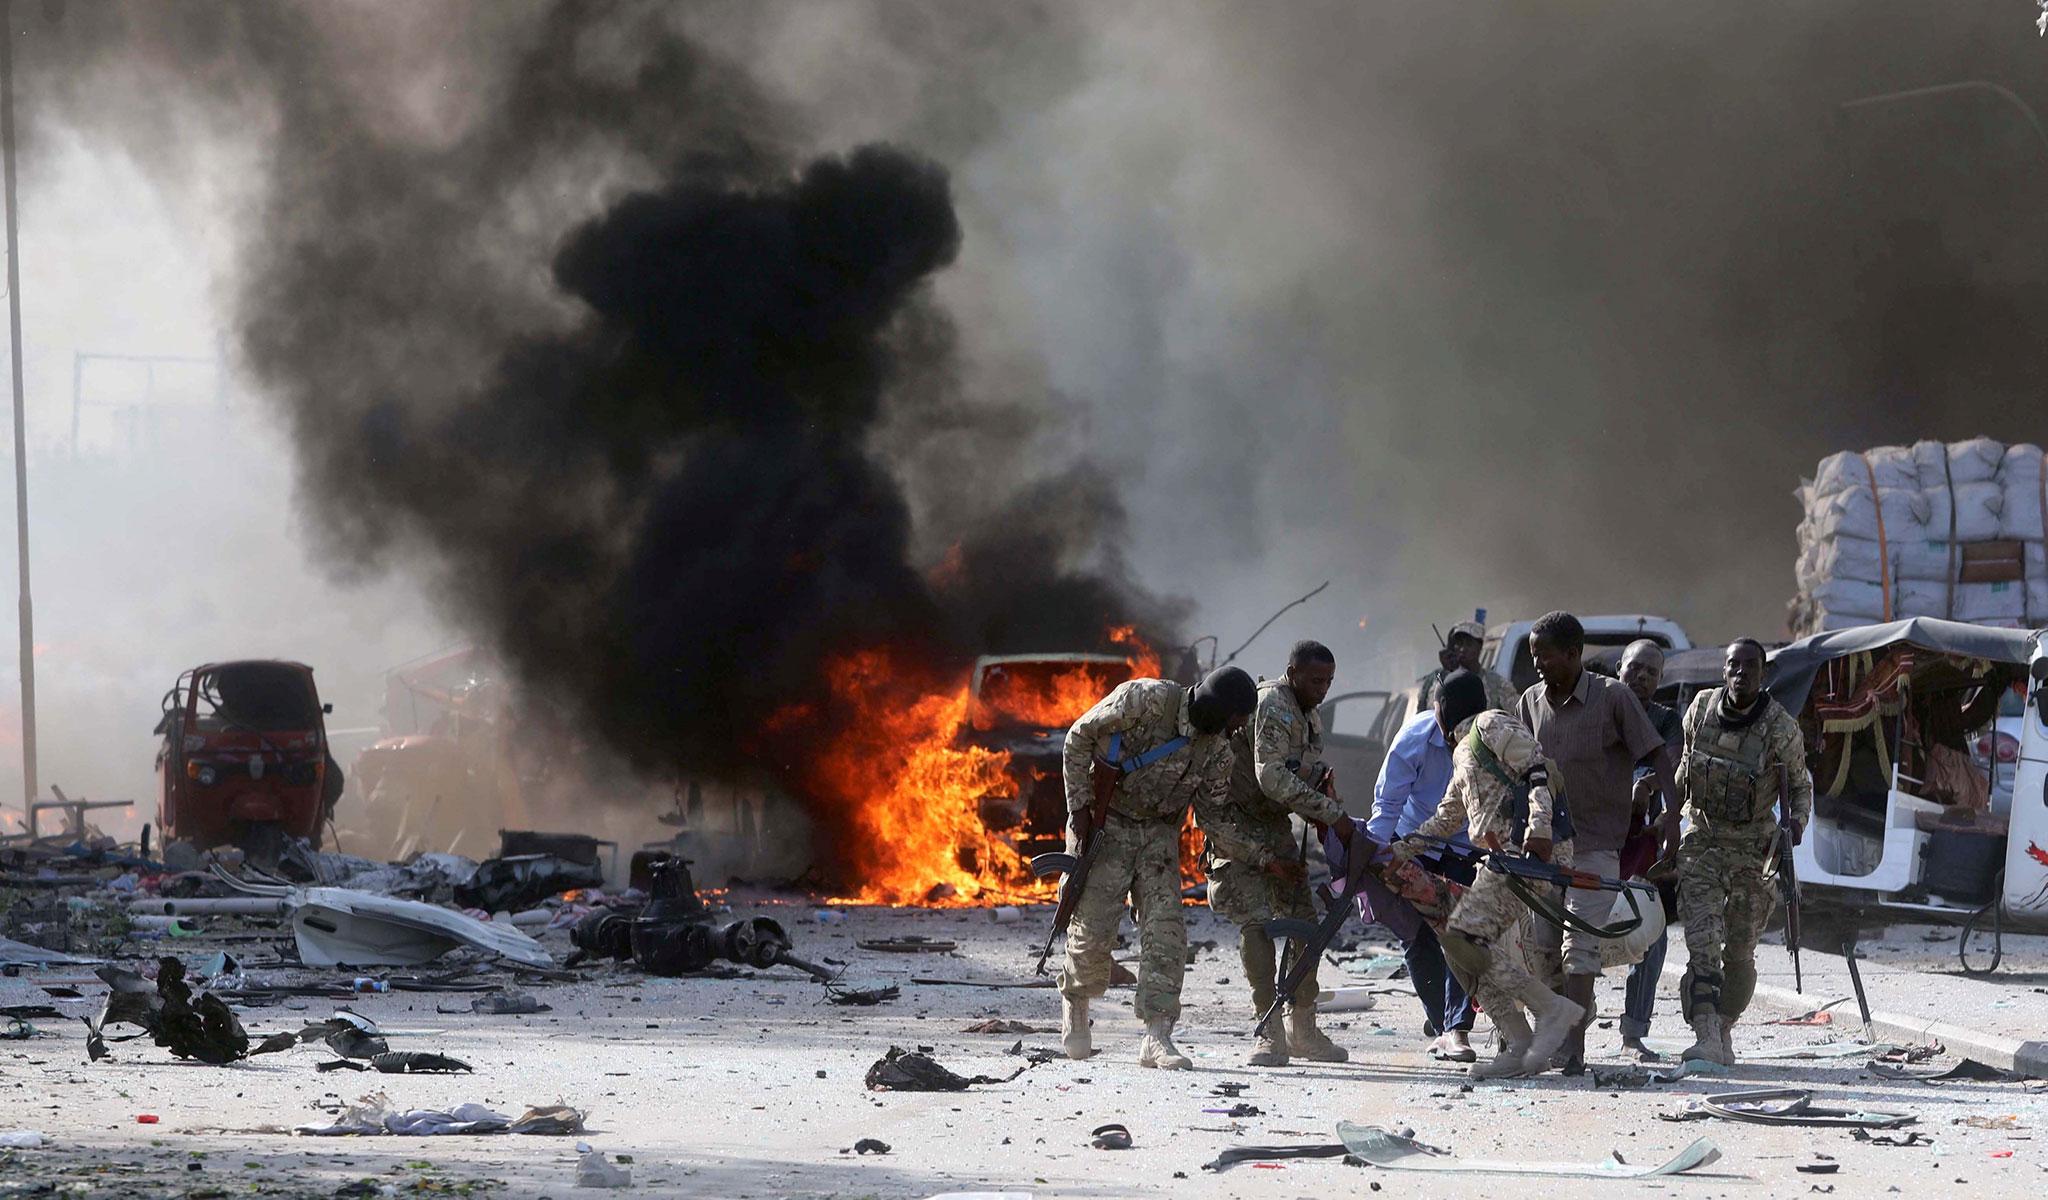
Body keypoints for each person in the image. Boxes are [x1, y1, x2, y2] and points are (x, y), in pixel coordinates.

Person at [1058, 665, 1259, 1069]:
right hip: (1106, 824)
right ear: (1216, 709)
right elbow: (1078, 738)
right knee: (1094, 931)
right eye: (1235, 720)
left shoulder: (1218, 750)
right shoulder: (1145, 699)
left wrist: (1261, 858)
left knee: (1167, 933)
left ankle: (1157, 1035)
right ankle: (1076, 1004)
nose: (1237, 731)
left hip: (1157, 838)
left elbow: (1213, 816)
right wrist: (1079, 807)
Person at [1389, 670, 1584, 1080]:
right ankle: (1518, 1042)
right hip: (1506, 860)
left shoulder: (1490, 723)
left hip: (1529, 854)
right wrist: (1399, 850)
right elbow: (1446, 819)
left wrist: (1541, 828)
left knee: (1462, 936)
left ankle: (1550, 1008)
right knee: (1456, 947)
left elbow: (1537, 770)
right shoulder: (1463, 753)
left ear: (1442, 709)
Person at [1517, 611, 1677, 1073]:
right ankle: (1556, 1032)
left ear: (1573, 654)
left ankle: (1573, 1050)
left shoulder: (1614, 698)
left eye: (1544, 656)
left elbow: (1657, 758)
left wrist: (1671, 816)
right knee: (1543, 947)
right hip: (1546, 848)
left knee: (1578, 947)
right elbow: (1522, 771)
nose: (1538, 665)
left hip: (1596, 846)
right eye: (1533, 657)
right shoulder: (1530, 702)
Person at [1196, 641, 1360, 1067]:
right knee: (1257, 924)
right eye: (1315, 680)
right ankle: (1268, 1031)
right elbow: (1269, 776)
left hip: (1273, 825)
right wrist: (1331, 814)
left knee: (1304, 921)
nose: (1322, 689)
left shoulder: (1308, 713)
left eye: (1328, 681)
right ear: (1292, 672)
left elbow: (1296, 770)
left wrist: (1322, 787)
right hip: (1235, 822)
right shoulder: (1273, 703)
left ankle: (1302, 1028)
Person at [1672, 639, 1813, 1066]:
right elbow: (1684, 768)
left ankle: (1725, 1026)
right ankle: (1706, 1033)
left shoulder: (1781, 728)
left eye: (1749, 667)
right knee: (1701, 941)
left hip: (1754, 850)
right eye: (1733, 665)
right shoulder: (1699, 708)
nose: (1740, 674)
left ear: (1763, 674)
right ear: (1723, 670)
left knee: (1739, 951)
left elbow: (1801, 787)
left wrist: (1796, 825)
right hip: (1703, 840)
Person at [1368, 692, 1478, 1063]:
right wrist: (1374, 857)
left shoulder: (1491, 738)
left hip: (1464, 845)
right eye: (1448, 730)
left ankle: (1457, 1027)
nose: (1453, 740)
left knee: (1461, 934)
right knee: (1419, 937)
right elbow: (1387, 806)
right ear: (1436, 714)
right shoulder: (1413, 739)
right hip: (1413, 841)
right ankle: (1443, 1021)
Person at [1617, 640, 1683, 1060]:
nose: (1642, 677)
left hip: (1642, 848)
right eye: (1635, 668)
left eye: (1651, 672)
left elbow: (1672, 760)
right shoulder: (1599, 709)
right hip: (1595, 842)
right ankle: (1570, 1029)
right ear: (1619, 668)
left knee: (1651, 936)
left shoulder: (1665, 719)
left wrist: (1646, 787)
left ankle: (1633, 1032)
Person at [1415, 620, 1516, 713]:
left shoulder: (1496, 684)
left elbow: (1517, 716)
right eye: (1458, 643)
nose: (1462, 649)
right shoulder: (1435, 680)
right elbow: (1420, 719)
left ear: (1480, 646)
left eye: (1469, 644)